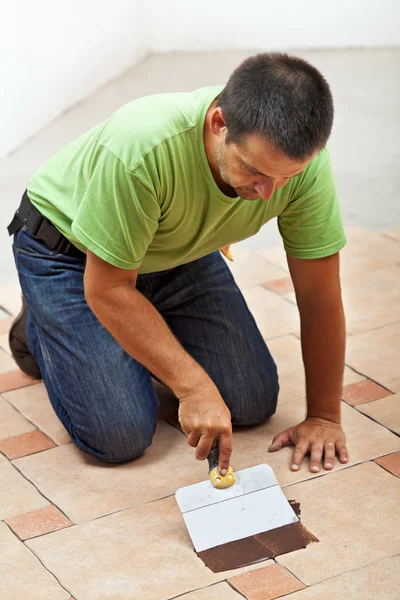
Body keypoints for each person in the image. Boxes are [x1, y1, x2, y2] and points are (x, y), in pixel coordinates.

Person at [7, 52, 349, 477]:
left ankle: (120, 336)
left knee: (250, 401)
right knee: (120, 435)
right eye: (254, 171)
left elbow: (319, 296)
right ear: (219, 124)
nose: (268, 193)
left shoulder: (305, 169)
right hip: (71, 256)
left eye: (285, 178)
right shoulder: (143, 145)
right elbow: (108, 289)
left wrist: (324, 417)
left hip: (174, 253)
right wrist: (192, 385)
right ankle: (40, 325)